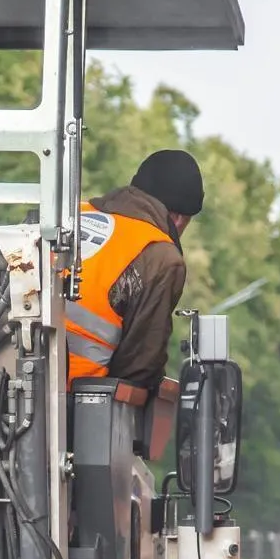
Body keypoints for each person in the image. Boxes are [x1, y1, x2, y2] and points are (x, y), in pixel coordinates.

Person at [66, 149, 201, 392]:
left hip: (1, 389)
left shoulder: (70, 214)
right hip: (74, 409)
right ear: (179, 219)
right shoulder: (160, 256)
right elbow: (139, 368)